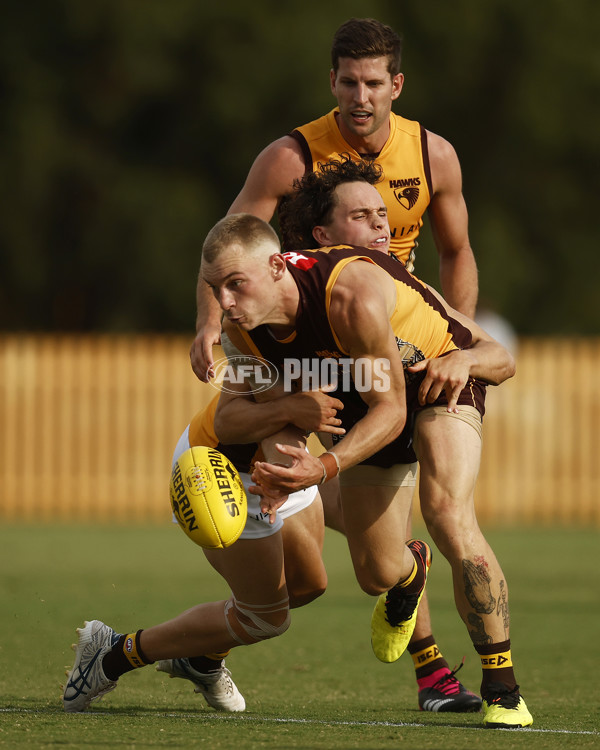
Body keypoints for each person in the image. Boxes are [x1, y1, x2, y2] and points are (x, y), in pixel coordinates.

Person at [189, 16, 481, 713]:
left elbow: (458, 252)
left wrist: (458, 341)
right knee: (313, 521)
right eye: (348, 81)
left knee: (385, 531)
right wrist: (206, 328)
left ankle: (434, 673)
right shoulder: (290, 159)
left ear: (395, 85)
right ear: (332, 81)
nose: (360, 96)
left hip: (384, 350)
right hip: (293, 347)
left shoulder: (433, 156)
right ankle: (218, 636)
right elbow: (223, 250)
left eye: (373, 83)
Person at [201, 210, 532, 728]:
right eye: (215, 288)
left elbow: (396, 410)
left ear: (275, 265)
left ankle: (503, 686)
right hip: (369, 402)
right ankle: (410, 569)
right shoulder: (241, 332)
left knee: (446, 512)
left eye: (234, 285)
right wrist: (285, 453)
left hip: (436, 378)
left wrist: (322, 466)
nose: (224, 302)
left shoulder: (348, 295)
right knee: (377, 572)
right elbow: (233, 418)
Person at [62, 385, 344, 713]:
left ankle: (202, 658)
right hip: (222, 465)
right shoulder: (276, 341)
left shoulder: (369, 349)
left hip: (289, 464)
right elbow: (242, 417)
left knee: (307, 585)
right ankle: (113, 654)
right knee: (265, 619)